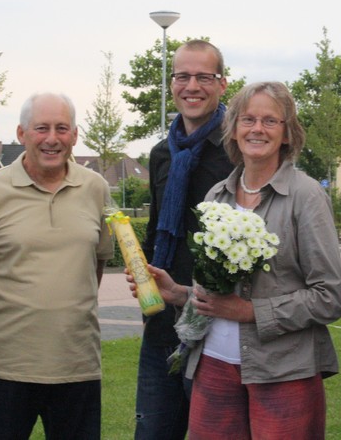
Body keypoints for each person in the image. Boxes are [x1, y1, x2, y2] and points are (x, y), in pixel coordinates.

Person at [133, 81, 341, 439]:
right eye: (247, 119)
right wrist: (180, 294)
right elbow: (217, 294)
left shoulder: (305, 196)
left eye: (270, 121)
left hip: (282, 370)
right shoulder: (218, 195)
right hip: (214, 365)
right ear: (232, 129)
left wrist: (251, 312)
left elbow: (329, 297)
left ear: (287, 133)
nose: (257, 129)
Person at [0, 92, 114, 439]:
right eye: (41, 128)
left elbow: (95, 265)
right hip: (3, 368)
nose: (52, 139)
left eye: (62, 128)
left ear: (75, 136)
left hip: (77, 366)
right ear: (21, 134)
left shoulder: (96, 188)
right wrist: (0, 322)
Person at [135, 39, 234, 439]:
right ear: (171, 83)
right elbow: (157, 224)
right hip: (162, 323)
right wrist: (142, 277)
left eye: (203, 77)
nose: (191, 86)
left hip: (216, 324)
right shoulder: (162, 153)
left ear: (222, 83)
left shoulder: (237, 149)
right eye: (182, 76)